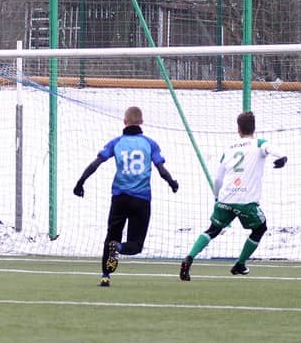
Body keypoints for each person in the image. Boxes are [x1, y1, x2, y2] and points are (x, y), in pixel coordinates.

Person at [73, 106, 179, 287]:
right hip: (141, 199)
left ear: (124, 122)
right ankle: (120, 248)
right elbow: (161, 169)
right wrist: (172, 182)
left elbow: (96, 163)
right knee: (135, 245)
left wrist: (80, 182)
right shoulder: (150, 144)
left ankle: (105, 276)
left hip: (119, 198)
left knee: (111, 235)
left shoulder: (116, 143)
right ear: (142, 122)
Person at [179, 111, 287, 281]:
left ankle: (189, 258)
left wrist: (217, 198)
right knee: (260, 228)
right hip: (246, 202)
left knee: (212, 230)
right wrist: (282, 157)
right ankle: (240, 264)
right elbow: (271, 148)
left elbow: (218, 179)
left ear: (238, 129)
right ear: (254, 128)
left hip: (226, 198)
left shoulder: (229, 149)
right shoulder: (259, 143)